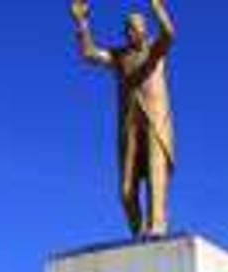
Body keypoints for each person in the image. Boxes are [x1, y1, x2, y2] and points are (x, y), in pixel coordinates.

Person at [70, 0, 176, 238]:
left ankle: (157, 225)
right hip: (129, 126)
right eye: (128, 28)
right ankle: (138, 233)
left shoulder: (154, 50)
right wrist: (81, 23)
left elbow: (168, 33)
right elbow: (89, 53)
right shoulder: (120, 57)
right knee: (126, 190)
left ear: (144, 30)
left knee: (155, 178)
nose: (132, 32)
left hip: (156, 121)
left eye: (137, 27)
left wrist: (158, 8)